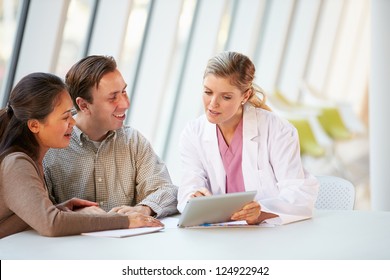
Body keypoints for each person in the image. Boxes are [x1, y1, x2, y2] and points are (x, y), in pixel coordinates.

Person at [0, 72, 163, 238]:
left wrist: (61, 208)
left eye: (71, 113)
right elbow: (51, 224)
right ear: (35, 125)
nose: (73, 121)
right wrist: (124, 221)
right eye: (65, 117)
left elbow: (26, 219)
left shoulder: (29, 161)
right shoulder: (17, 163)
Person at [177, 51, 319, 225]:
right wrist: (195, 197)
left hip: (268, 236)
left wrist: (261, 212)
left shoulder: (278, 130)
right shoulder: (193, 133)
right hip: (217, 235)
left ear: (245, 95)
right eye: (208, 92)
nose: (213, 103)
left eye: (226, 97)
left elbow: (299, 195)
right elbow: (188, 187)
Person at [43, 55, 178, 218]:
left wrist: (144, 208)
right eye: (113, 97)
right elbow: (40, 211)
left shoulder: (133, 142)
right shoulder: (51, 150)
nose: (125, 104)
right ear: (83, 105)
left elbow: (166, 190)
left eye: (124, 92)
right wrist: (71, 214)